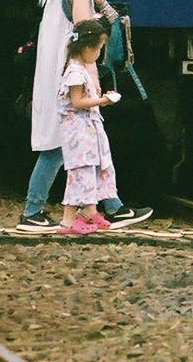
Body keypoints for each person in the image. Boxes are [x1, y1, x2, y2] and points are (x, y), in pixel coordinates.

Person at [17, 0, 152, 233]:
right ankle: (33, 211)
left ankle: (112, 207)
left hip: (54, 70)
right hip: (70, 76)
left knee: (86, 143)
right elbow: (84, 39)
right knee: (63, 145)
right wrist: (92, 84)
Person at [56, 18, 123, 236]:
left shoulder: (78, 69)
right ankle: (68, 222)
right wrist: (103, 101)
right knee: (79, 174)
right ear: (87, 48)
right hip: (78, 135)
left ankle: (89, 211)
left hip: (85, 133)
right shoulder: (75, 73)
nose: (100, 54)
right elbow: (77, 102)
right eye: (99, 49)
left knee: (89, 171)